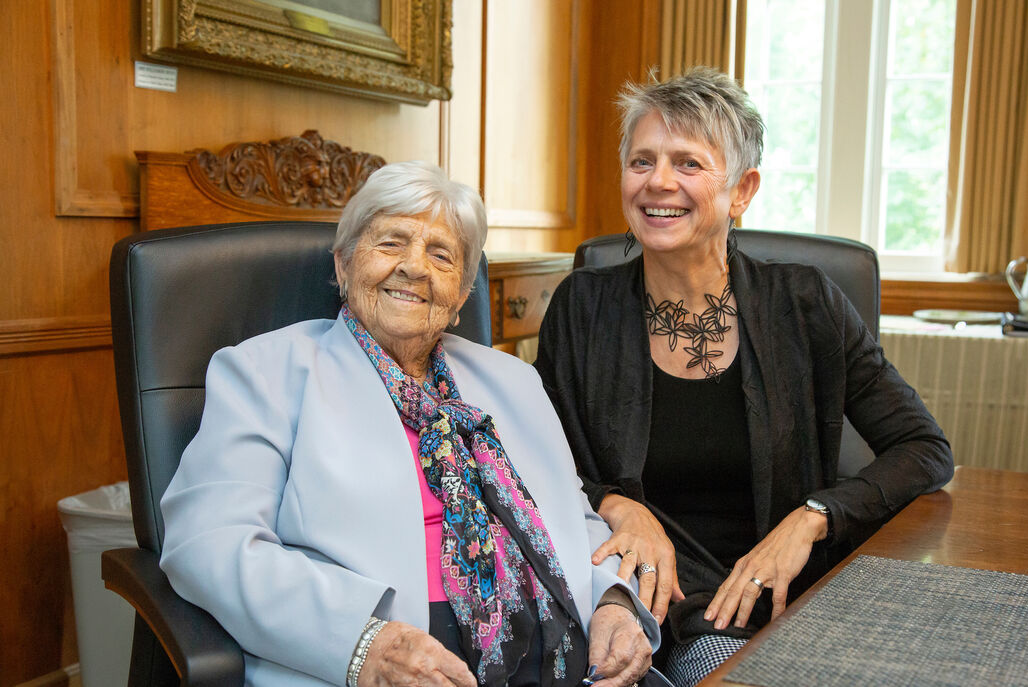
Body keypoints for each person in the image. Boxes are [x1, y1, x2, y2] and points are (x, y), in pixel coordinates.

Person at [160, 161, 663, 686]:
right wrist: (366, 643)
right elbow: (210, 541)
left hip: (563, 648)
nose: (414, 267)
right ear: (343, 263)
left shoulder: (512, 380)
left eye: (440, 255)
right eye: (391, 243)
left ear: (462, 295)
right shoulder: (267, 373)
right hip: (391, 653)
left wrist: (612, 603)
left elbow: (572, 519)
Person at [534, 68, 954, 686]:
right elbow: (531, 463)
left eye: (688, 164)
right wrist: (618, 504)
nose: (658, 182)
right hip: (648, 600)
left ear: (742, 190)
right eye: (642, 160)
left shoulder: (805, 302)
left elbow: (925, 449)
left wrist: (812, 517)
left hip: (789, 602)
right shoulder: (582, 308)